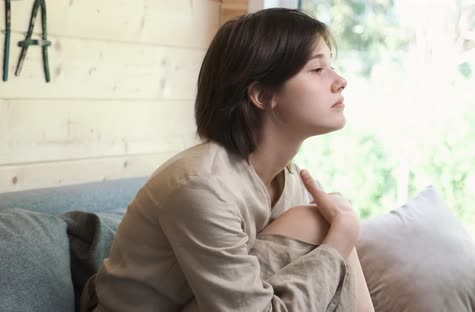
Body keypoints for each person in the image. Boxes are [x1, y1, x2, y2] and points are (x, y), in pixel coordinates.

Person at [81, 8, 374, 312]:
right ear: (261, 95)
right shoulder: (201, 187)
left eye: (332, 67)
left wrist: (340, 235)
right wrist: (339, 241)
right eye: (317, 70)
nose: (340, 81)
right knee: (322, 222)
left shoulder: (290, 182)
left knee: (332, 212)